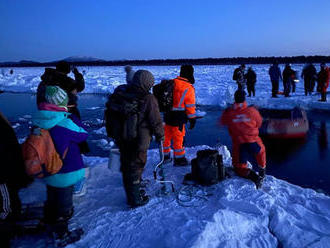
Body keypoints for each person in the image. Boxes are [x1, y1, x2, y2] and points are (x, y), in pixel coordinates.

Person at [33, 86, 88, 246]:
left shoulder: (38, 120)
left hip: (47, 168)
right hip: (65, 170)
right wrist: (72, 117)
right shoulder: (65, 121)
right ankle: (61, 234)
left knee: (52, 198)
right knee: (64, 205)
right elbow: (83, 134)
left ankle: (48, 224)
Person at [105, 70, 164, 207]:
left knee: (127, 164)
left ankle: (134, 189)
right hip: (138, 139)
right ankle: (135, 199)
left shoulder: (122, 93)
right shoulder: (148, 98)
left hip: (122, 137)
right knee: (136, 165)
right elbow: (155, 120)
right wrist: (160, 135)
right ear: (146, 83)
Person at [37, 61, 89, 195]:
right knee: (71, 145)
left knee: (49, 144)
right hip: (65, 115)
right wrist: (78, 75)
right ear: (67, 70)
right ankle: (72, 176)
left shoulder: (44, 81)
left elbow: (40, 99)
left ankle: (51, 167)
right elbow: (80, 87)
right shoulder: (67, 81)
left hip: (45, 116)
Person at [220, 90, 266, 188]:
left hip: (240, 144)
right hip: (254, 142)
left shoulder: (229, 112)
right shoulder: (252, 111)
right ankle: (262, 171)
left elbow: (222, 122)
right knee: (261, 152)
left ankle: (254, 177)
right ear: (244, 99)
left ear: (235, 99)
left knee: (239, 168)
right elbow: (259, 123)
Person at [0, 112, 32, 246]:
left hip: (9, 173)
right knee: (5, 208)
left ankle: (11, 228)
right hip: (3, 176)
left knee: (10, 203)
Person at [163, 65, 197, 166]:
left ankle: (165, 156)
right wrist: (192, 119)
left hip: (168, 115)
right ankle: (179, 159)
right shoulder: (188, 87)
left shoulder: (172, 82)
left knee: (166, 136)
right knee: (178, 138)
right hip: (179, 117)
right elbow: (190, 106)